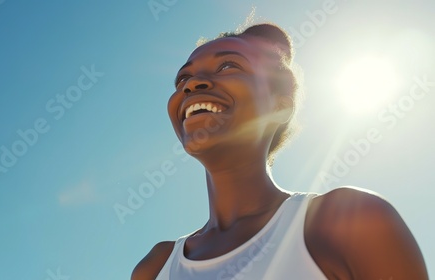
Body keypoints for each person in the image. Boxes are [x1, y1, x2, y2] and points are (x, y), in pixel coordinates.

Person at [131, 23, 429, 279]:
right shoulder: (156, 267)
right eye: (183, 78)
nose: (192, 84)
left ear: (280, 107)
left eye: (228, 66)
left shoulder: (351, 223)